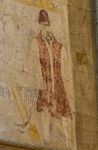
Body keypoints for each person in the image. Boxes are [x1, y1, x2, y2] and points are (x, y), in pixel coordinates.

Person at [28, 9, 73, 147]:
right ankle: (46, 138)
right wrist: (37, 80)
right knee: (45, 109)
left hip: (58, 82)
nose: (45, 28)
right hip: (45, 81)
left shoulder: (59, 46)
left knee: (64, 111)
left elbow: (64, 66)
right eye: (43, 25)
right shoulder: (36, 43)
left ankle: (69, 141)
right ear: (39, 25)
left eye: (47, 25)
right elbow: (32, 63)